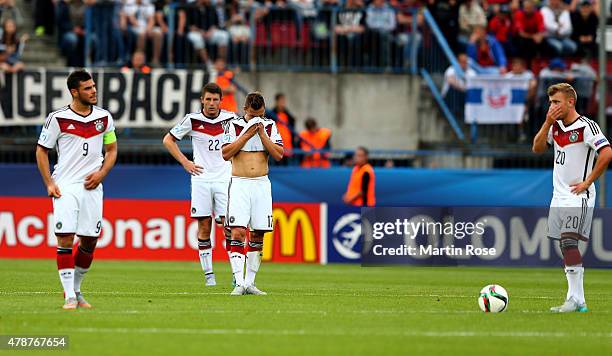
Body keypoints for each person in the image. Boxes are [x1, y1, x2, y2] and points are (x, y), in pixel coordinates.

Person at [35, 69, 118, 310]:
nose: (94, 91)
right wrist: (50, 183)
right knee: (66, 238)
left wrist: (102, 173)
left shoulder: (104, 118)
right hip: (66, 186)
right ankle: (69, 295)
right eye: (88, 88)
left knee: (90, 241)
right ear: (74, 92)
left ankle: (77, 290)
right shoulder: (57, 118)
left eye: (93, 87)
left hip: (92, 187)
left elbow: (111, 150)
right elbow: (41, 150)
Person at [532, 83, 611, 313]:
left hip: (579, 194)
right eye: (550, 103)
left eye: (556, 102)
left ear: (570, 101)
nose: (552, 107)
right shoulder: (554, 126)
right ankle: (576, 299)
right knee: (565, 246)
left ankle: (576, 300)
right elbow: (537, 148)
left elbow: (607, 153)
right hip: (559, 195)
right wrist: (547, 122)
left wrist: (588, 182)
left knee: (568, 242)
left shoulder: (587, 126)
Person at [162, 83, 236, 287]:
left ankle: (236, 274)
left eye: (215, 99)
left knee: (229, 227)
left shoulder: (231, 119)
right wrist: (185, 162)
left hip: (224, 179)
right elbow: (168, 140)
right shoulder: (192, 120)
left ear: (221, 101)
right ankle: (209, 277)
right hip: (201, 179)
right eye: (208, 99)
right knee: (204, 226)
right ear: (202, 100)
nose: (211, 103)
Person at [221, 92, 284, 296]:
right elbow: (226, 153)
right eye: (252, 115)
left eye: (260, 115)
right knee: (238, 231)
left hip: (261, 185)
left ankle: (250, 283)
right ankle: (238, 281)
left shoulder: (270, 126)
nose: (256, 119)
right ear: (245, 109)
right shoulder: (233, 126)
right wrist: (247, 133)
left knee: (258, 233)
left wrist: (262, 134)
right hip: (240, 183)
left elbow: (279, 154)